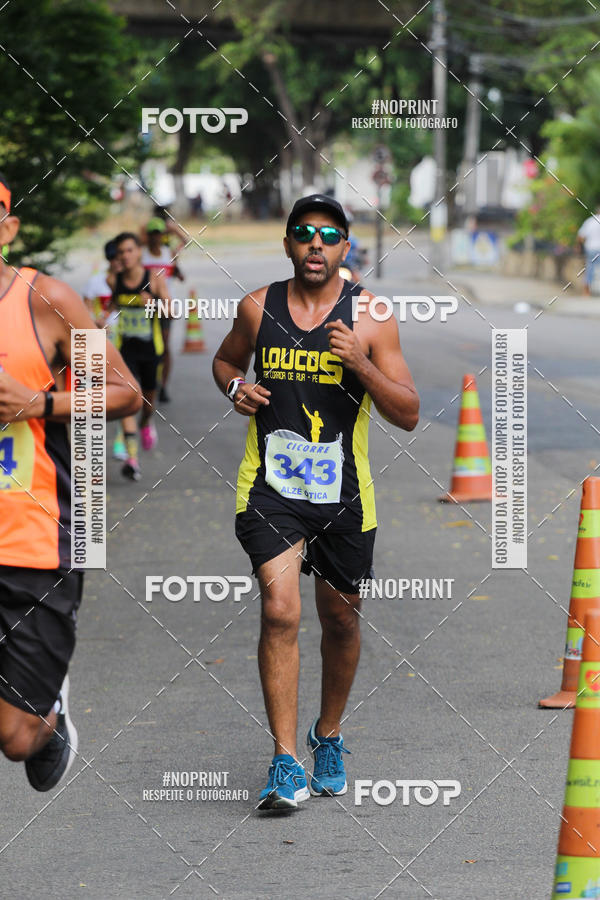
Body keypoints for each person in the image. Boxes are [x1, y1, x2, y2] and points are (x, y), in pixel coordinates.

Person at [213, 194, 419, 810]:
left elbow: (407, 412)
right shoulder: (258, 308)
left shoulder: (373, 317)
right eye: (303, 233)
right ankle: (283, 760)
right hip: (270, 489)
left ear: (344, 248)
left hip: (343, 495)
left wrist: (361, 362)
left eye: (329, 235)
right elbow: (226, 358)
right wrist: (235, 386)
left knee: (340, 618)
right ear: (287, 243)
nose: (315, 244)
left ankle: (326, 734)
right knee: (280, 610)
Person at [0, 172, 141, 790]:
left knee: (14, 739)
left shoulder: (44, 301)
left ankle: (48, 712)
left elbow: (125, 393)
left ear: (8, 229)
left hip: (35, 537)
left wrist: (38, 404)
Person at [108, 232, 170, 481]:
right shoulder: (114, 279)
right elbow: (113, 306)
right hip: (126, 352)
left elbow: (171, 310)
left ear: (138, 253)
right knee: (127, 400)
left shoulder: (153, 280)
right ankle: (132, 459)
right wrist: (104, 319)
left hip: (151, 351)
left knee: (147, 404)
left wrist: (153, 303)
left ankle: (146, 422)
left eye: (130, 250)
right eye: (121, 251)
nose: (125, 255)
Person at [83, 239, 126, 459]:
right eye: (117, 259)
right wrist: (95, 321)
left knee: (123, 390)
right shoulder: (95, 282)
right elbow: (85, 308)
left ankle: (121, 441)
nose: (121, 262)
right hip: (101, 343)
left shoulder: (132, 283)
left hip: (126, 343)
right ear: (110, 260)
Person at [141, 217, 184, 404]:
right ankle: (149, 382)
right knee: (148, 346)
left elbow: (187, 242)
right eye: (152, 234)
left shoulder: (169, 253)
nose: (155, 238)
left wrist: (174, 229)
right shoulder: (141, 255)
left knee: (165, 346)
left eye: (158, 234)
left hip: (166, 304)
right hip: (145, 305)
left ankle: (163, 386)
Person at [576, 206, 600, 295]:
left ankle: (586, 291)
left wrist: (580, 246)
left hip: (591, 248)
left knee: (590, 269)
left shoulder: (590, 221)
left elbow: (581, 236)